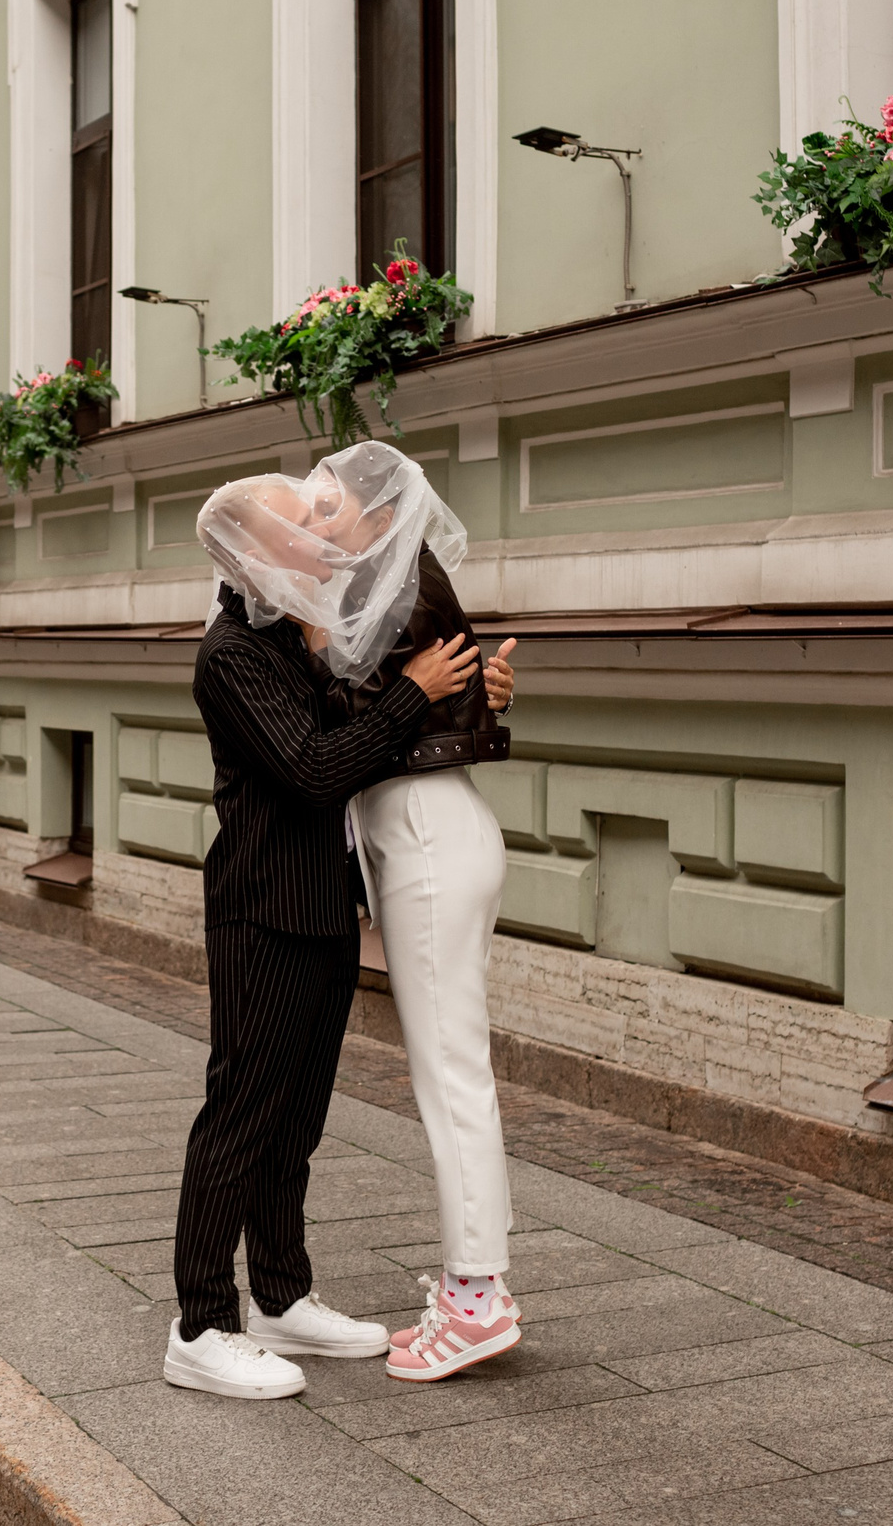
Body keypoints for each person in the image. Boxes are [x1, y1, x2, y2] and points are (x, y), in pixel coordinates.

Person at [163, 451, 482, 1401]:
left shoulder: (303, 634)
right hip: (263, 911)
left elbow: (374, 716)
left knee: (295, 1122)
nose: (317, 536)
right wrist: (415, 693)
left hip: (320, 909)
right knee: (241, 1118)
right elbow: (313, 767)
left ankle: (281, 1295)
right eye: (296, 526)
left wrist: (468, 698)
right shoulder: (231, 654)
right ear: (253, 553)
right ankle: (200, 1323)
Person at [328, 462, 526, 1383]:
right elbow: (457, 713)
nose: (315, 519)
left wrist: (458, 694)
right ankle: (466, 1286)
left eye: (329, 504)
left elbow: (339, 722)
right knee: (447, 1071)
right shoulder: (391, 586)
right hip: (434, 829)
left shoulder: (393, 590)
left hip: (429, 838)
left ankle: (479, 1297)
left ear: (376, 512)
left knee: (451, 1076)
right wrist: (484, 698)